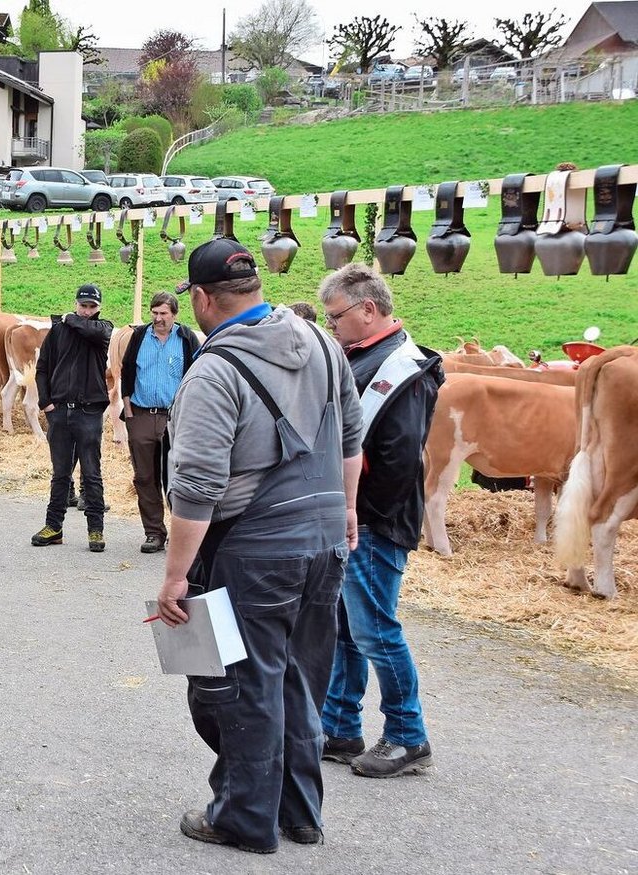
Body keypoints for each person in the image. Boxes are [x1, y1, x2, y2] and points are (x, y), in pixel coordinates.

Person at [155, 238, 363, 854]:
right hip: (325, 542)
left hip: (256, 549)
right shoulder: (324, 344)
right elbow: (351, 435)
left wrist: (175, 577)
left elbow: (195, 488)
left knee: (248, 683)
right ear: (255, 286)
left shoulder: (214, 371)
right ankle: (300, 813)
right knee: (300, 679)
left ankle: (244, 818)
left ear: (199, 297)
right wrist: (347, 510)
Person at [317, 264, 443, 778]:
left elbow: (398, 459)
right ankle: (341, 727)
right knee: (346, 629)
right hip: (357, 516)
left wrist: (362, 516)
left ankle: (408, 736)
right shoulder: (368, 355)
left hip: (374, 520)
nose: (332, 327)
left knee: (375, 631)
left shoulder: (401, 368)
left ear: (368, 309)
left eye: (337, 316)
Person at [31, 283, 113, 552]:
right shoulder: (58, 332)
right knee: (60, 474)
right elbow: (42, 368)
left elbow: (90, 330)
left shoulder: (103, 330)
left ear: (99, 308)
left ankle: (96, 530)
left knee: (91, 473)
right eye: (83, 306)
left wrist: (70, 318)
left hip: (89, 410)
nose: (87, 311)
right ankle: (54, 527)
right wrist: (46, 403)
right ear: (76, 303)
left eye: (92, 307)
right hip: (60, 411)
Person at [119, 291, 200, 554]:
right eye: (154, 313)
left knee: (176, 478)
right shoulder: (140, 336)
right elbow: (127, 370)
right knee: (145, 477)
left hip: (174, 417)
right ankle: (154, 532)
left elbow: (196, 374)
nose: (158, 318)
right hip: (142, 415)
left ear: (174, 315)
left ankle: (181, 535)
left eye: (164, 313)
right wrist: (129, 410)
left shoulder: (186, 338)